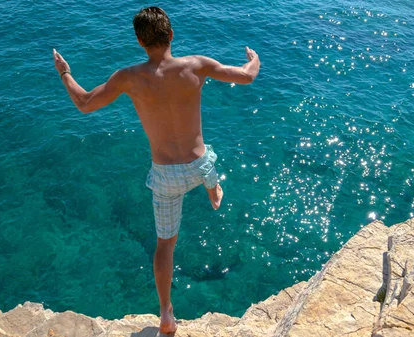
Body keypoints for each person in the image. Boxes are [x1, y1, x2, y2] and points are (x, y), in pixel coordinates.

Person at [53, 6, 260, 334]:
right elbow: (246, 76)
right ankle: (213, 191)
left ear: (139, 41)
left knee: (165, 245)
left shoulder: (129, 77)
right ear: (171, 35)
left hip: (166, 176)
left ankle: (166, 313)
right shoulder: (197, 65)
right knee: (208, 160)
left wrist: (65, 72)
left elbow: (84, 102)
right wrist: (254, 59)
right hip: (199, 165)